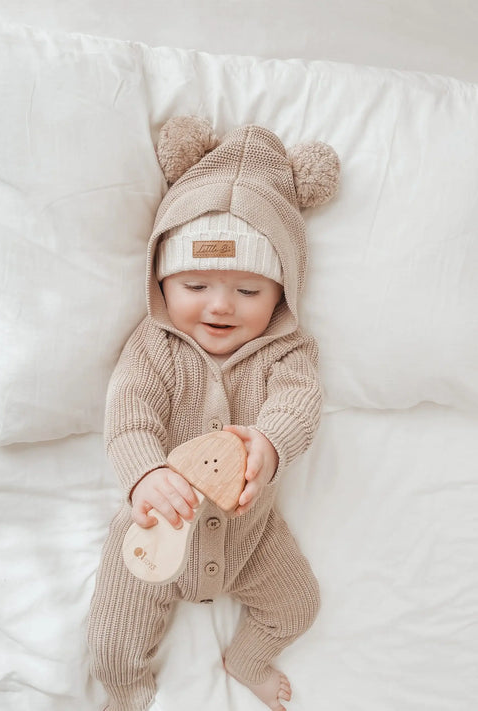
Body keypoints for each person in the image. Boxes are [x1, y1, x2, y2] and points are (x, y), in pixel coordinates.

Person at [88, 116, 340, 711]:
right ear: (160, 280)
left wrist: (270, 443)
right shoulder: (153, 348)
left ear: (284, 291)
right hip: (153, 532)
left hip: (252, 538)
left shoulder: (288, 351)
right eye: (196, 283)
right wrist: (147, 475)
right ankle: (126, 694)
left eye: (249, 291)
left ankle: (246, 658)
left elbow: (300, 401)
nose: (221, 306)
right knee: (111, 641)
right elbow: (128, 416)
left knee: (299, 604)